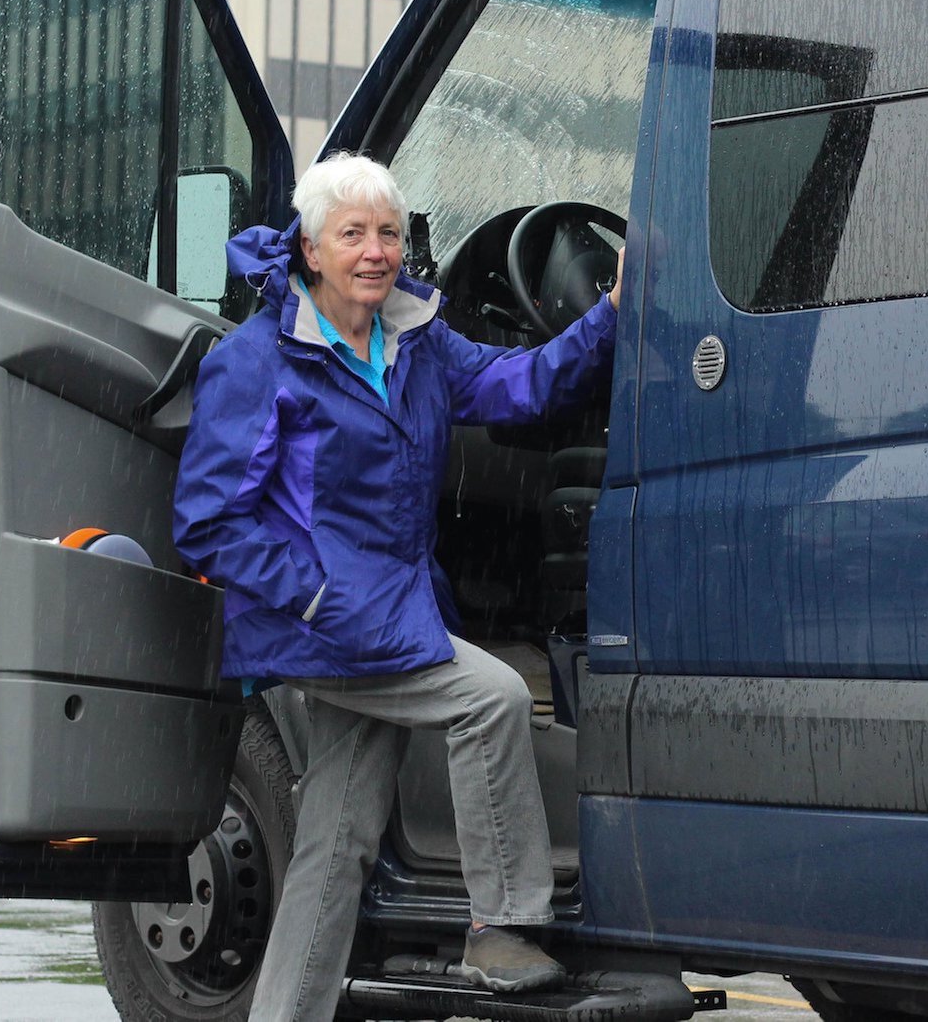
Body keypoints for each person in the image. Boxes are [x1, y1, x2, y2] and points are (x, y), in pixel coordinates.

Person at [173, 153, 622, 1022]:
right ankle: (500, 926)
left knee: (336, 841)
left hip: (392, 615)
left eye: (387, 233)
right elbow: (210, 520)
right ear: (310, 248)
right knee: (489, 697)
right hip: (323, 627)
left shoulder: (415, 341)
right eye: (352, 235)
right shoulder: (260, 360)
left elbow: (518, 385)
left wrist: (607, 315)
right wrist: (313, 596)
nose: (375, 251)